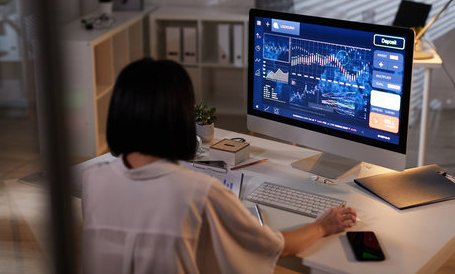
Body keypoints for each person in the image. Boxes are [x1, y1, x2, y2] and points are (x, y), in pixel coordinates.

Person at [81, 58, 356, 273]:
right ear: (180, 120)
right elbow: (275, 247)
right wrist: (322, 226)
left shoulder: (93, 178)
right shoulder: (199, 193)